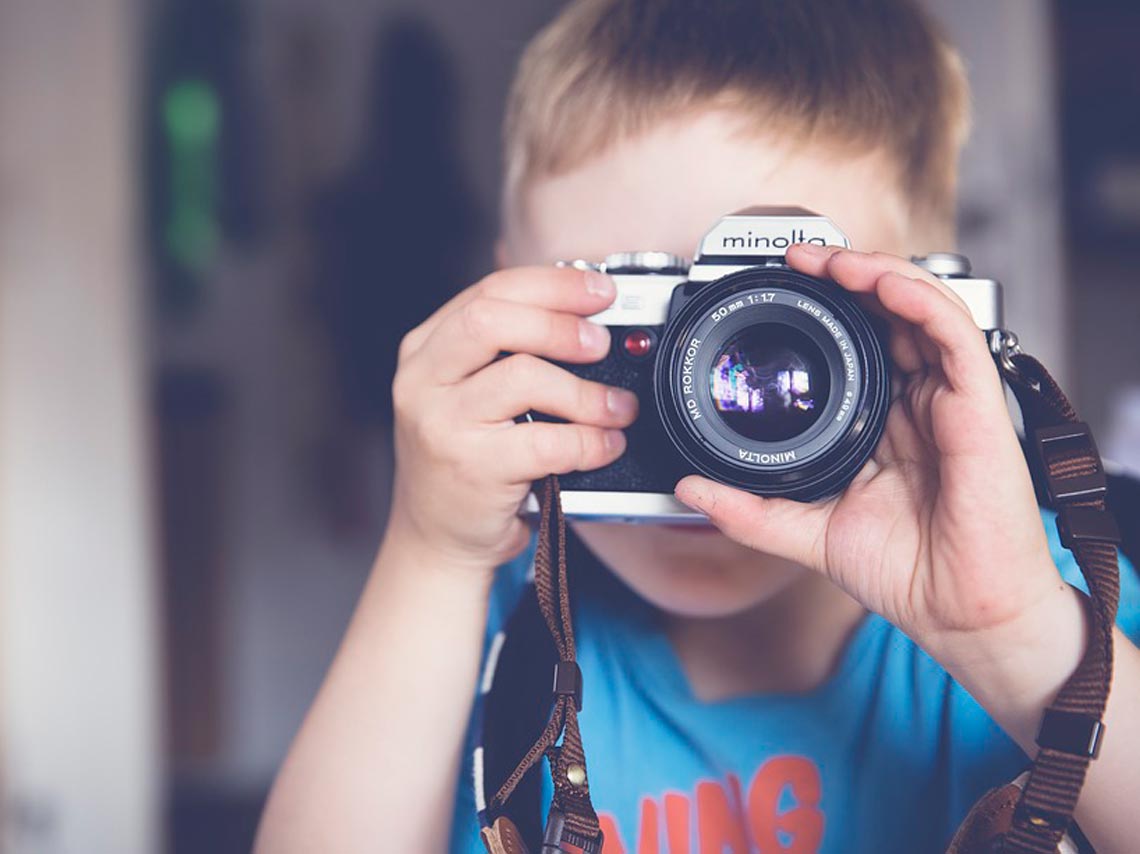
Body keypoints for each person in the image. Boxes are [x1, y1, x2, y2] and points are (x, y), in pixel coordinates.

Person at [254, 1, 1140, 852]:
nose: (707, 418)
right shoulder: (486, 629)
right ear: (507, 302)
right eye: (644, 328)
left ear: (924, 310)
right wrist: (430, 550)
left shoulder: (1040, 602)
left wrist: (1017, 644)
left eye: (785, 324)